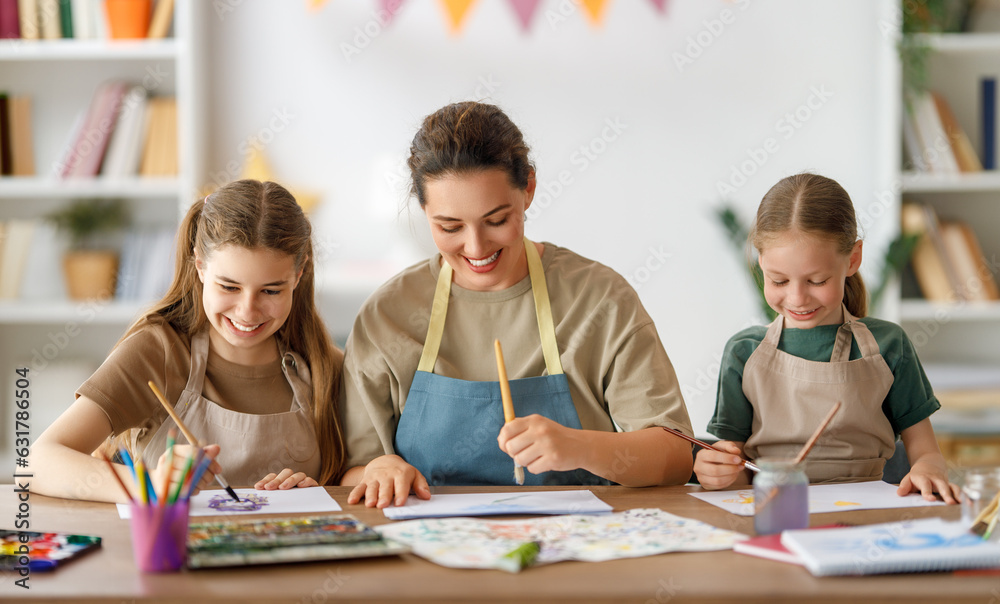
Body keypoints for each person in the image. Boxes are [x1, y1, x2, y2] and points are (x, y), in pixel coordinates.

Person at [340, 101, 694, 508]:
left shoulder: (600, 299)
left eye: (496, 220)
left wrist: (581, 448)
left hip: (578, 547)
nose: (476, 248)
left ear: (528, 189)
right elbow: (352, 468)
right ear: (424, 210)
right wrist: (379, 469)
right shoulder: (388, 315)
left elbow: (674, 455)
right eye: (449, 226)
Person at [31, 179, 346, 503]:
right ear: (199, 265)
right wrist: (152, 485)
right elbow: (38, 462)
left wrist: (312, 493)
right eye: (229, 287)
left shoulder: (324, 366)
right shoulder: (157, 351)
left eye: (271, 290)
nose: (247, 311)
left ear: (299, 274)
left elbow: (356, 476)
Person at [694, 173, 960, 503]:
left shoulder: (889, 345)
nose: (796, 298)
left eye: (817, 280)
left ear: (853, 259)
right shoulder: (743, 352)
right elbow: (734, 466)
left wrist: (928, 470)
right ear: (761, 263)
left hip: (867, 515)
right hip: (775, 512)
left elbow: (928, 454)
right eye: (778, 281)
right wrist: (715, 471)